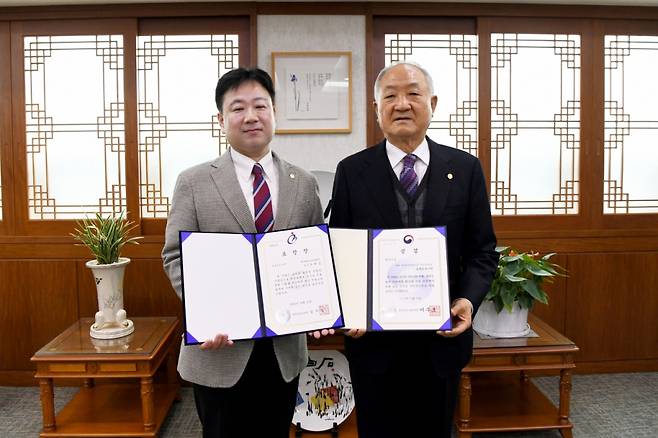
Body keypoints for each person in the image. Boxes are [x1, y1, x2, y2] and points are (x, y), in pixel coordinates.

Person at [329, 61, 498, 438]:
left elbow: (482, 250)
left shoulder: (465, 168)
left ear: (433, 103)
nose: (401, 104)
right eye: (390, 96)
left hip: (440, 341)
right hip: (374, 344)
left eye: (413, 94)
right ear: (376, 110)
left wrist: (468, 301)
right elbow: (339, 253)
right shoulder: (352, 171)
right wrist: (348, 310)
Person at [162, 67, 325, 438]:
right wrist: (206, 313)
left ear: (274, 112)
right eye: (238, 108)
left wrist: (318, 307)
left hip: (283, 351)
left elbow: (316, 254)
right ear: (221, 119)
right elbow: (174, 256)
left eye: (260, 105)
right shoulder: (193, 181)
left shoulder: (304, 182)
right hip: (221, 350)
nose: (250, 116)